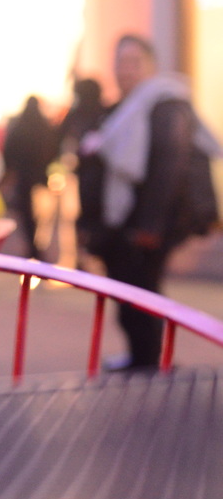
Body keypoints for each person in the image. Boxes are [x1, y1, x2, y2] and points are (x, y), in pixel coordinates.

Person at [78, 34, 221, 370]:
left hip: (152, 220)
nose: (126, 70)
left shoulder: (165, 102)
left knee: (141, 287)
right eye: (121, 62)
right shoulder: (125, 108)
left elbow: (168, 165)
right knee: (134, 286)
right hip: (131, 216)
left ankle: (150, 361)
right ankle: (145, 358)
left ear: (151, 66)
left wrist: (150, 226)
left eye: (134, 62)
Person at [2, 96, 58, 259]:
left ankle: (33, 245)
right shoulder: (43, 126)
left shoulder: (19, 126)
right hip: (39, 177)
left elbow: (9, 149)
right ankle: (37, 245)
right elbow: (52, 148)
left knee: (27, 214)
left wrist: (11, 171)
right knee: (41, 214)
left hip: (23, 178)